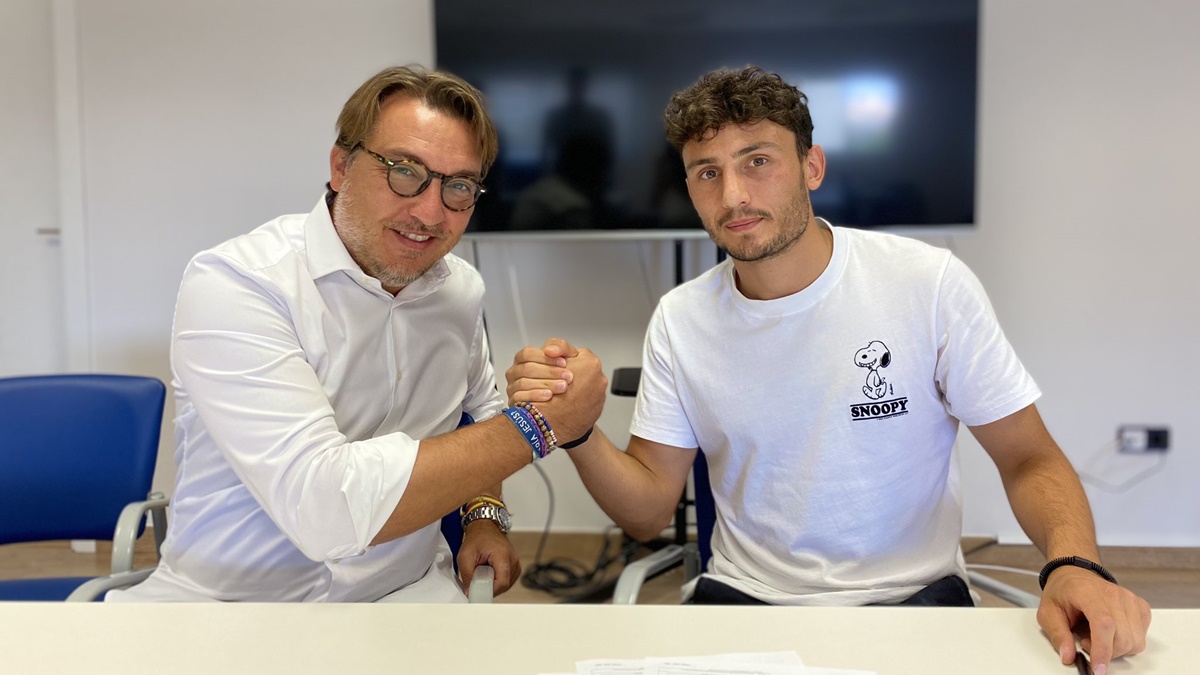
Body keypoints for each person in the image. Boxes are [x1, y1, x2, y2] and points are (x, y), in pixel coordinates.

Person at [505, 66, 1150, 672]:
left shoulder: (926, 284)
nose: (734, 195)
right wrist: (579, 432)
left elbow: (1028, 458)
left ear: (812, 166)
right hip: (744, 600)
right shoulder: (681, 318)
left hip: (914, 598)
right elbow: (648, 512)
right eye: (707, 172)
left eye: (758, 161)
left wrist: (1075, 566)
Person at [108, 66, 605, 602]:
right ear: (341, 167)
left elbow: (480, 411)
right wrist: (539, 426)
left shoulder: (459, 290)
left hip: (407, 593)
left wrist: (484, 515)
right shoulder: (238, 284)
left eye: (459, 186)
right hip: (235, 609)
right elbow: (324, 511)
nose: (430, 212)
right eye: (404, 171)